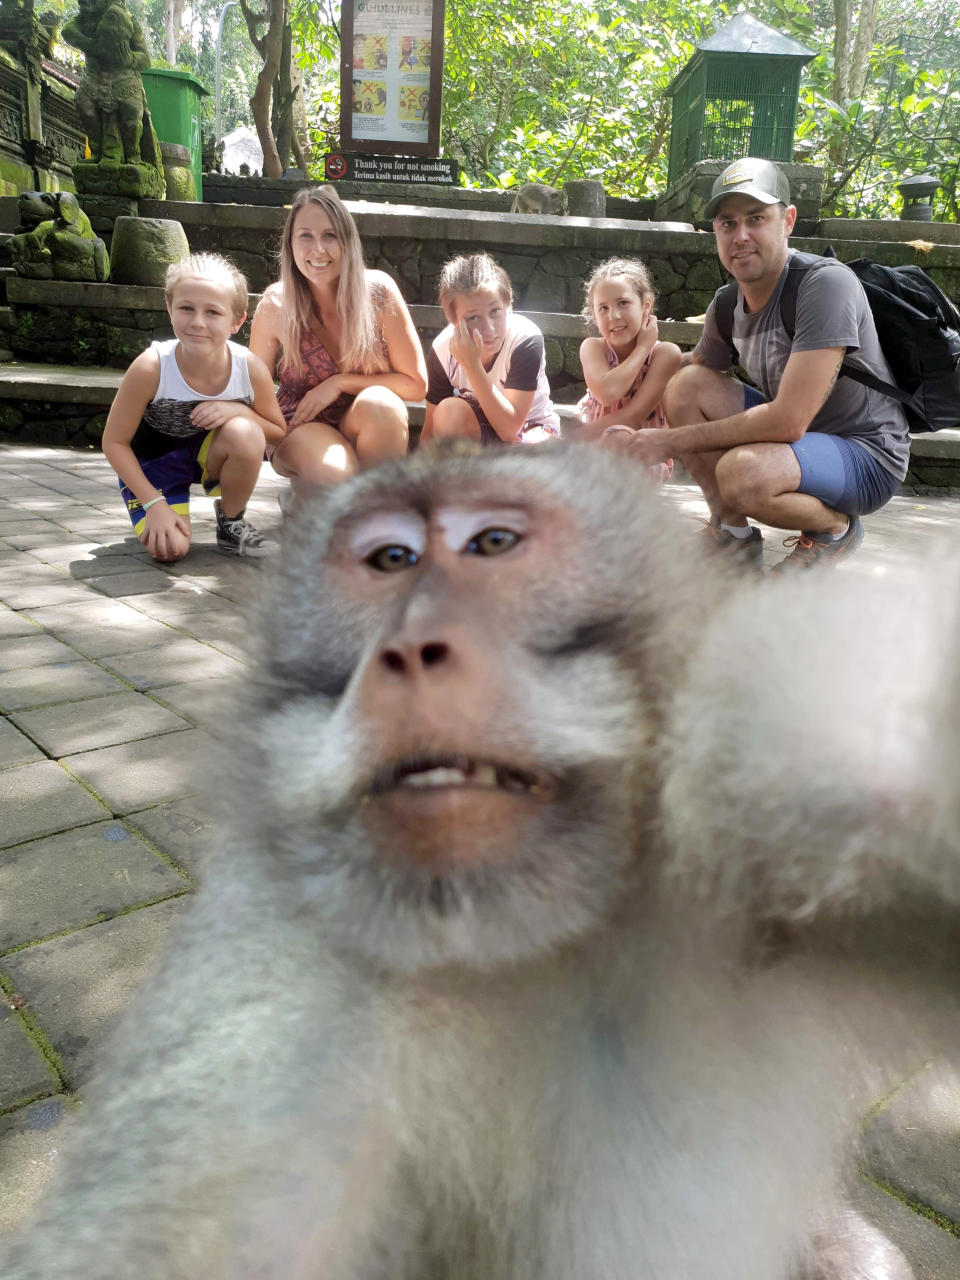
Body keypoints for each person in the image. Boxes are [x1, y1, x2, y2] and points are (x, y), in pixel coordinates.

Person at [630, 157, 910, 571]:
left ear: (788, 220)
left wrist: (667, 442)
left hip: (867, 455)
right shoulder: (727, 304)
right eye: (727, 223)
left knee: (741, 474)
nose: (740, 235)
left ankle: (833, 530)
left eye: (756, 218)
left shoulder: (824, 284)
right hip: (799, 446)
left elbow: (788, 422)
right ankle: (734, 537)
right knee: (686, 385)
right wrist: (629, 389)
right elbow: (692, 372)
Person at [102, 253, 285, 562]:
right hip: (155, 464)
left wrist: (238, 411)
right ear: (170, 309)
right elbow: (114, 442)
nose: (198, 322)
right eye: (186, 308)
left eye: (213, 312)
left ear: (237, 320)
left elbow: (278, 431)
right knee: (170, 550)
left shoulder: (249, 369)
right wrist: (152, 504)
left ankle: (231, 522)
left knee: (246, 431)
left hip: (209, 456)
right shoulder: (151, 367)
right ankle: (162, 506)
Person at [249, 185, 426, 495]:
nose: (318, 249)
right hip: (302, 422)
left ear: (347, 242)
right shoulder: (275, 306)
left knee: (382, 405)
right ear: (290, 244)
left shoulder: (379, 293)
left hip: (364, 419)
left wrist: (340, 383)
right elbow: (254, 391)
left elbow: (414, 384)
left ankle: (367, 520)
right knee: (339, 479)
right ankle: (321, 496)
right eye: (305, 236)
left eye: (330, 236)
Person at [421, 253, 561, 447]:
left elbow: (510, 429)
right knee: (448, 412)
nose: (489, 329)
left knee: (532, 447)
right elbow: (430, 430)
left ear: (509, 306)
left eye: (495, 311)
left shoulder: (525, 340)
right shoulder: (443, 350)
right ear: (453, 321)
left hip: (530, 430)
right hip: (479, 428)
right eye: (473, 318)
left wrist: (472, 366)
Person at [576, 256, 682, 482]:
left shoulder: (665, 355)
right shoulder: (593, 348)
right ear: (594, 315)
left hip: (641, 453)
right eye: (603, 308)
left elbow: (632, 417)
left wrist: (644, 346)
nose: (613, 316)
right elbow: (607, 391)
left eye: (623, 303)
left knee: (619, 437)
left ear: (646, 306)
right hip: (593, 451)